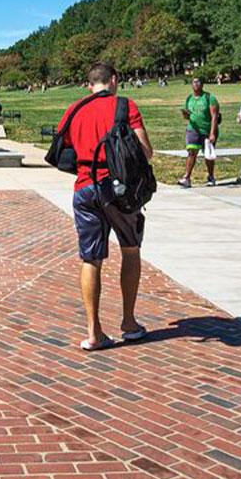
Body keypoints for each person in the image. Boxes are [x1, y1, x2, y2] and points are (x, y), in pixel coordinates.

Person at [54, 61, 153, 351]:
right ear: (114, 80)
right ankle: (129, 322)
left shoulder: (74, 109)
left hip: (85, 187)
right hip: (119, 189)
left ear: (89, 85)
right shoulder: (125, 106)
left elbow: (65, 148)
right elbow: (145, 151)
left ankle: (93, 332)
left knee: (90, 258)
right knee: (130, 249)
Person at [178, 77, 222, 188]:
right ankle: (187, 178)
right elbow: (189, 115)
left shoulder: (209, 98)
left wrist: (212, 133)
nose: (196, 84)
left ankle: (211, 176)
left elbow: (214, 117)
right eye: (194, 82)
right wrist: (185, 115)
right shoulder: (189, 98)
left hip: (207, 130)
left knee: (208, 155)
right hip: (193, 129)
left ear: (202, 85)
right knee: (192, 152)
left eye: (198, 82)